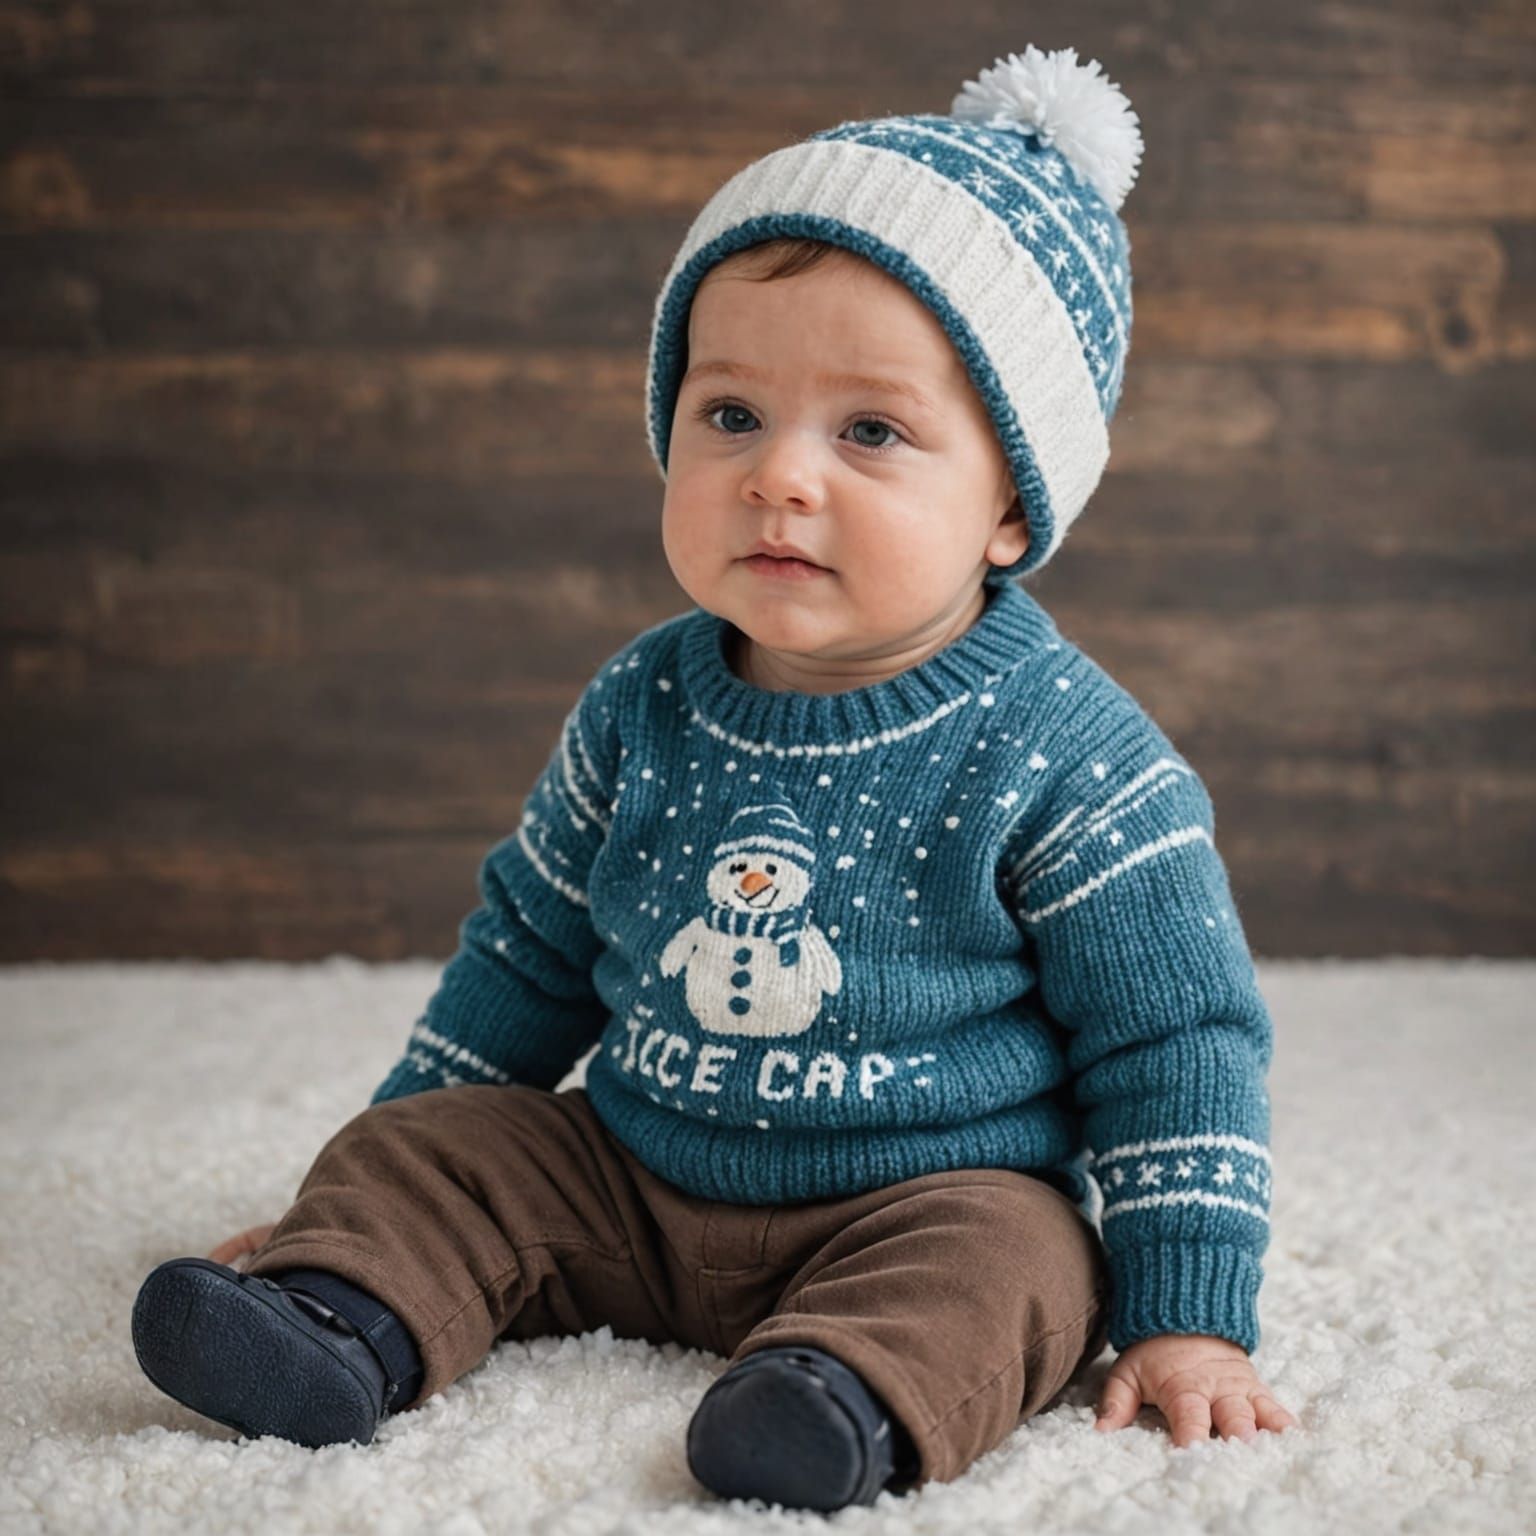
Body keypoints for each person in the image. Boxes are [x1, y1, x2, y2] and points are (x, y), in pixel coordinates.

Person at [131, 44, 1298, 1510]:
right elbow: (528, 951)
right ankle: (335, 1319)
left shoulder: (1075, 756)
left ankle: (837, 1401)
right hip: (630, 1179)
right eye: (731, 415)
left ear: (1012, 505)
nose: (780, 477)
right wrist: (357, 1182)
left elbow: (1178, 1041)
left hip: (916, 1201)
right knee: (447, 1148)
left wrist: (1191, 1316)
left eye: (870, 432)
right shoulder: (641, 703)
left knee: (1024, 1260)